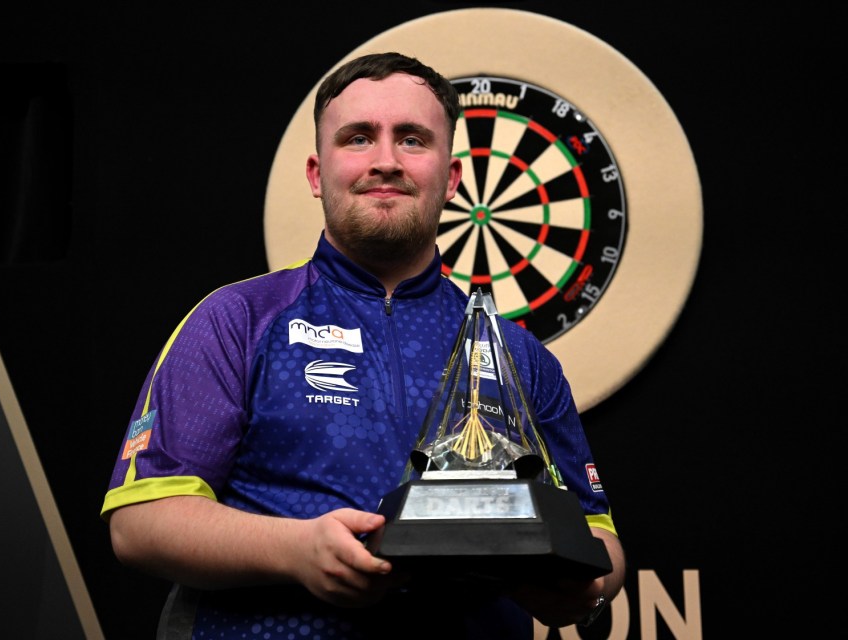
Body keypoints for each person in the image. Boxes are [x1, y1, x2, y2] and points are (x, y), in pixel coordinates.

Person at [101, 51, 625, 639]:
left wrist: (579, 589)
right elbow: (141, 523)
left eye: (411, 140)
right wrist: (296, 551)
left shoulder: (519, 355)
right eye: (357, 138)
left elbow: (598, 536)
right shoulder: (236, 320)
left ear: (450, 178)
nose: (385, 161)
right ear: (315, 174)